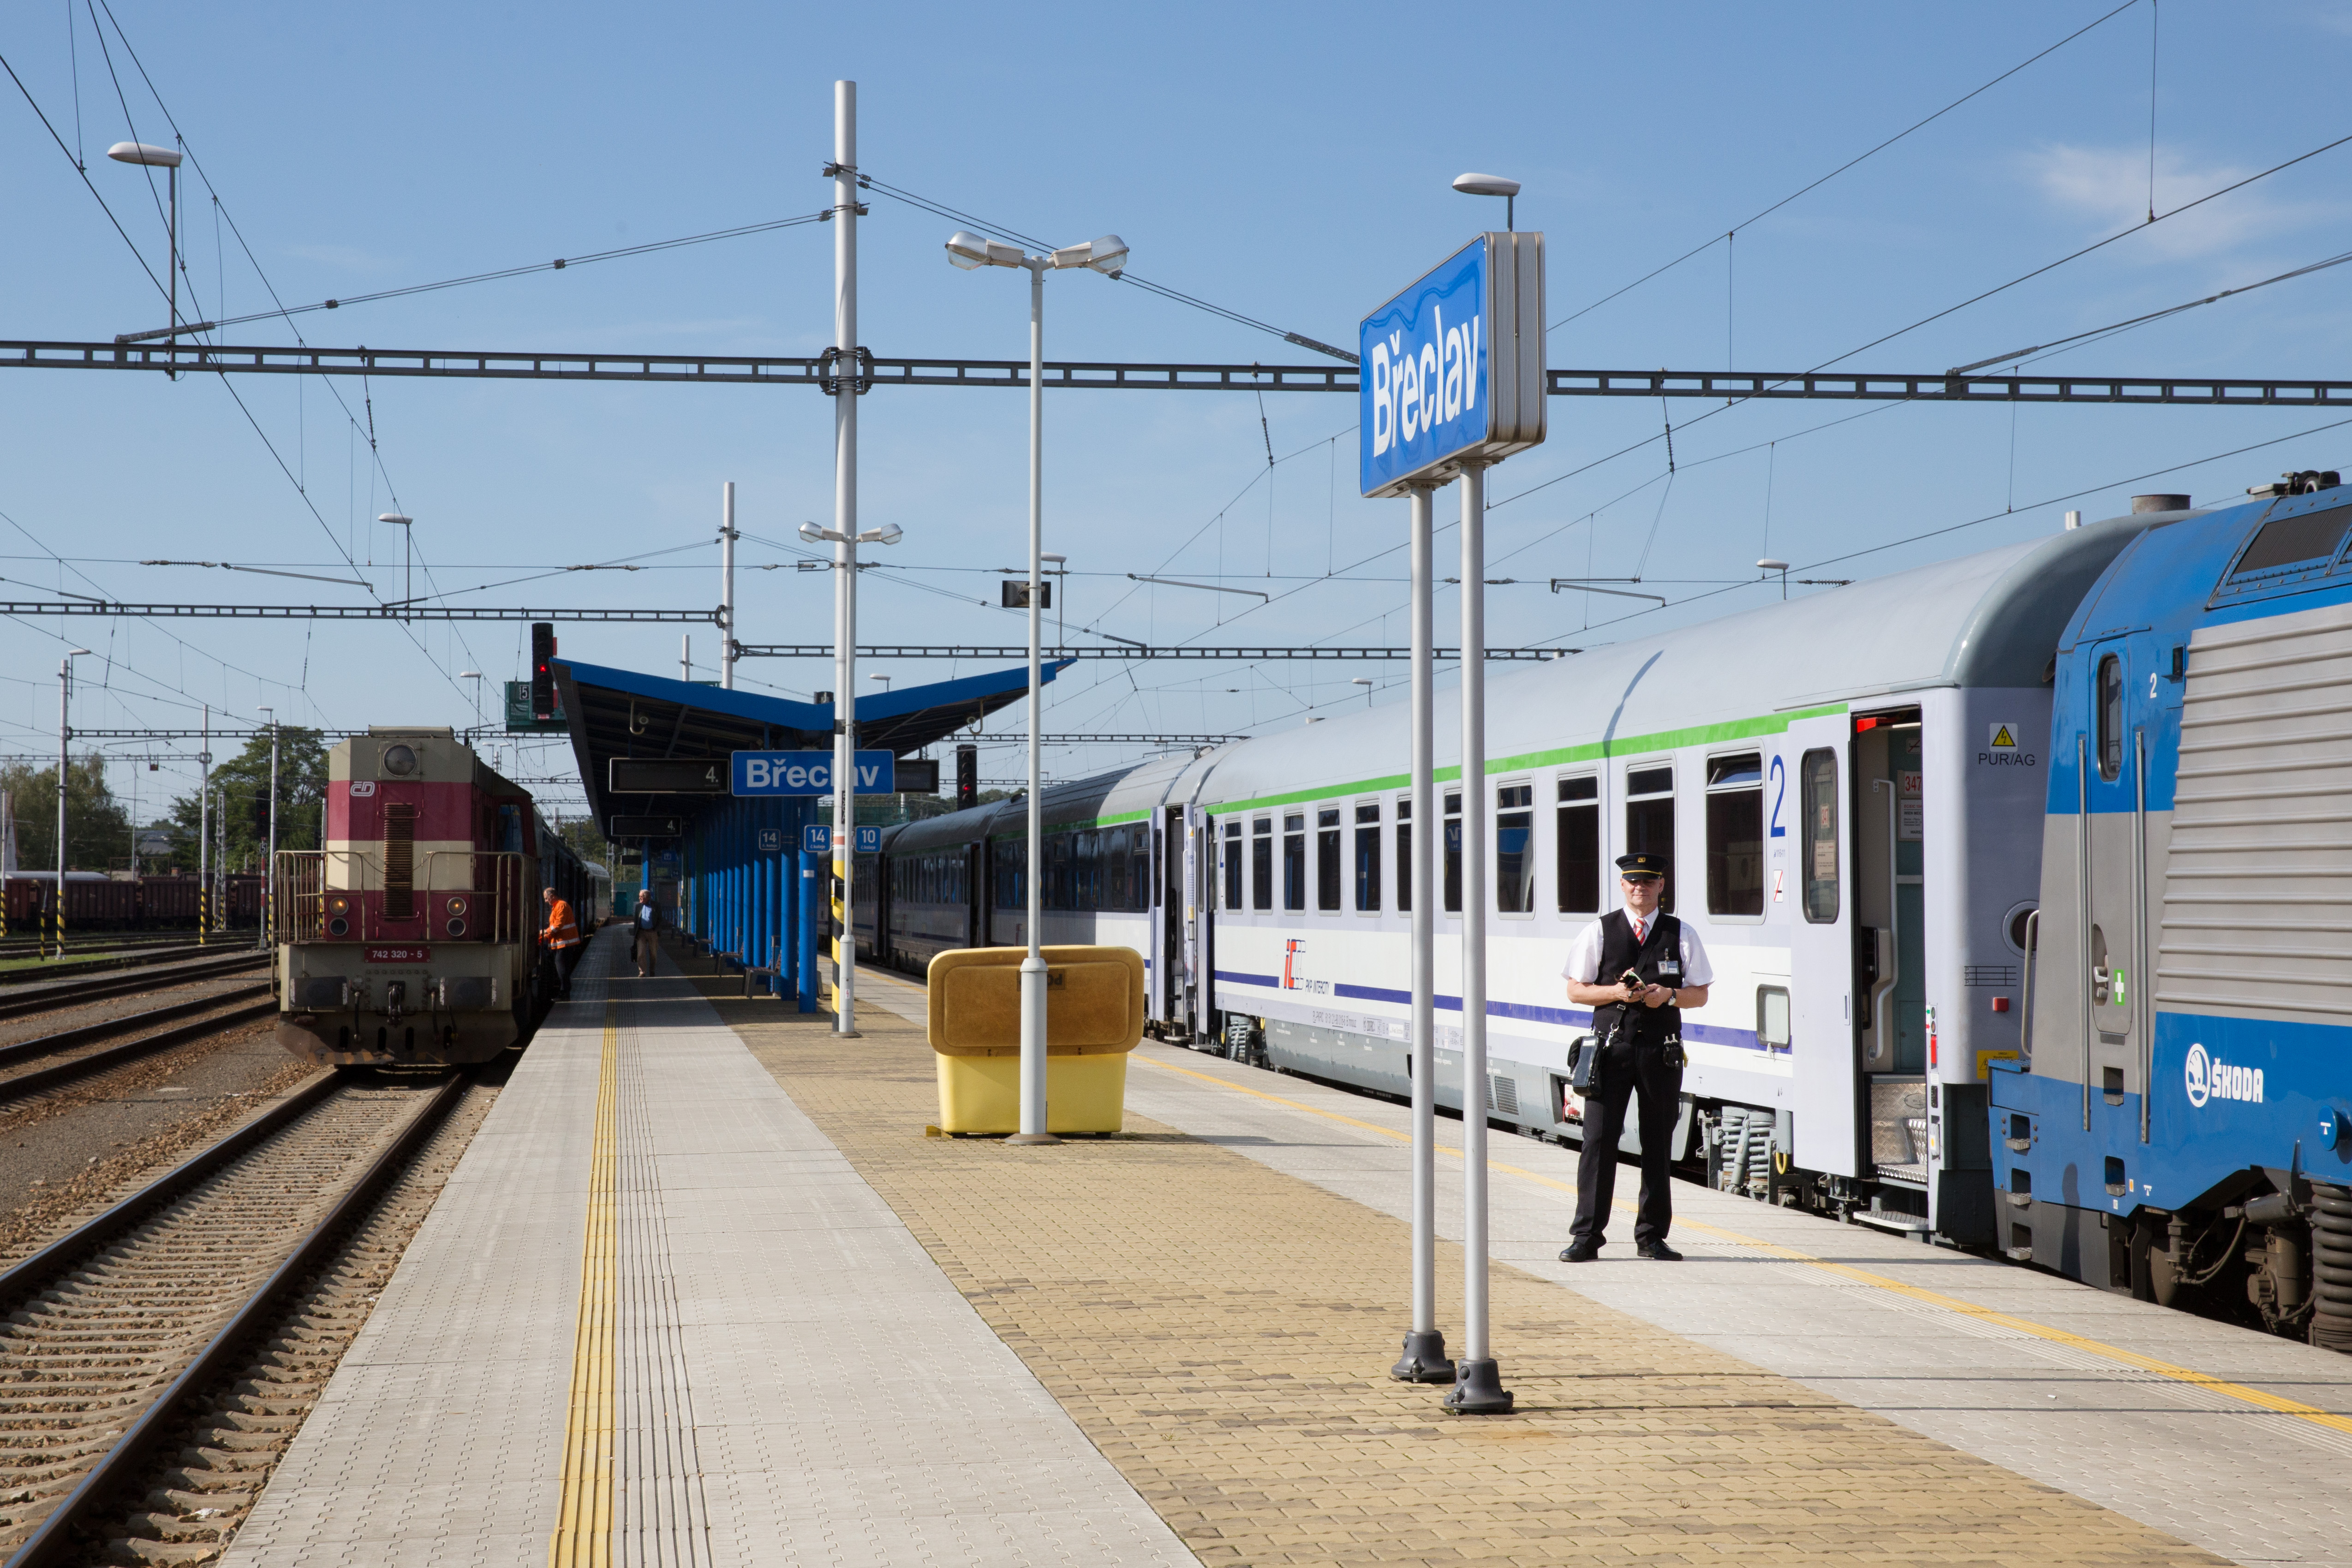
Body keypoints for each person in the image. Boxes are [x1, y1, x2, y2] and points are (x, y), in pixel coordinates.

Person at [1558, 851, 1713, 1262]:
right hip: (1611, 1051)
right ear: (1623, 886)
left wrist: (1670, 996)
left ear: (1662, 886)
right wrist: (1615, 993)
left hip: (1660, 1053)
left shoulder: (1681, 934)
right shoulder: (1600, 931)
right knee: (1598, 1142)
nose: (1639, 888)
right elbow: (1575, 989)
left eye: (1648, 881)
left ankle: (1651, 1236)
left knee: (1658, 1144)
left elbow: (1701, 993)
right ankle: (1587, 1236)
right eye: (1632, 882)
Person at [542, 886, 582, 1001]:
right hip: (561, 944)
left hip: (564, 944)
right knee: (561, 970)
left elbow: (558, 925)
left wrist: (545, 934)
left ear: (552, 897)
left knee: (562, 970)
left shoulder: (561, 906)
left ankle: (565, 993)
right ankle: (564, 992)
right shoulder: (556, 907)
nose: (546, 901)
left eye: (546, 899)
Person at [632, 887, 663, 978]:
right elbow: (636, 921)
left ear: (647, 897)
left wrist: (656, 930)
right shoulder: (638, 907)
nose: (640, 898)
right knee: (641, 953)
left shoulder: (656, 906)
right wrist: (635, 934)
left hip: (652, 932)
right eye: (639, 897)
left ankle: (652, 971)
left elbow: (660, 919)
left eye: (641, 897)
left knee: (653, 953)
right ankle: (642, 972)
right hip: (641, 933)